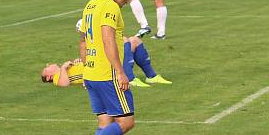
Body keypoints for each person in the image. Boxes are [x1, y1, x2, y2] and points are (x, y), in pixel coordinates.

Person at [72, 0, 138, 135]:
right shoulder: (110, 7)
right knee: (126, 122)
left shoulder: (91, 4)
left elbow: (82, 41)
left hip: (91, 73)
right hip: (107, 74)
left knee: (105, 122)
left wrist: (84, 70)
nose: (127, 2)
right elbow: (108, 38)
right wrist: (120, 71)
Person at [41, 20, 172, 88]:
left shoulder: (66, 69)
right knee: (126, 41)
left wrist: (80, 60)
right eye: (46, 68)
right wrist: (63, 68)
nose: (49, 64)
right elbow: (64, 84)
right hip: (100, 71)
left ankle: (151, 76)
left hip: (95, 63)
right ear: (48, 77)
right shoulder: (58, 77)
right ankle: (130, 78)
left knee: (134, 40)